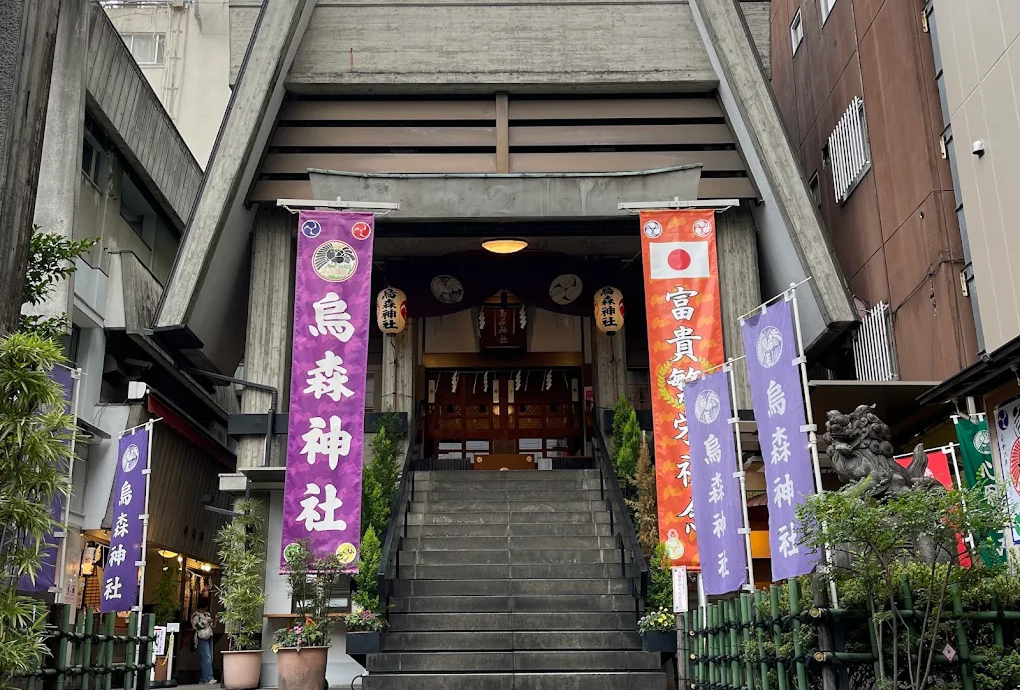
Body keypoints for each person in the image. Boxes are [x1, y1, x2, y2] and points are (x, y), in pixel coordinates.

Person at [192, 597, 216, 685]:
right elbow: (195, 626)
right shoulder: (196, 615)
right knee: (207, 657)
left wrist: (214, 621)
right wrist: (206, 622)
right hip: (201, 637)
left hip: (209, 636)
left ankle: (203, 678)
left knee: (209, 658)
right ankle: (209, 677)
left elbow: (212, 626)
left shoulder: (208, 614)